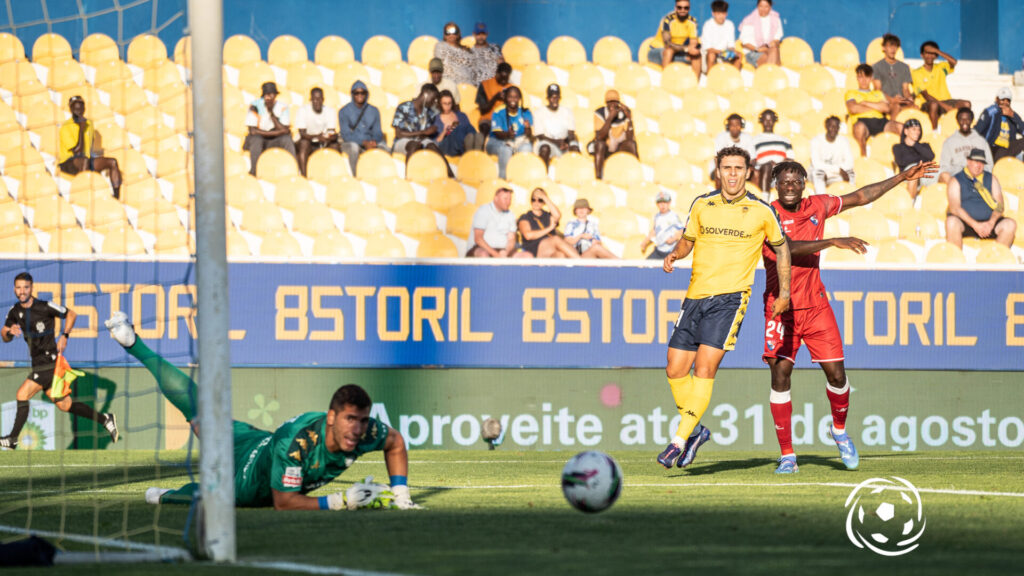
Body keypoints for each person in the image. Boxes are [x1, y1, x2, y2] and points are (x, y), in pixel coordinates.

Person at [102, 312, 419, 511]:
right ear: (332, 417)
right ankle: (168, 495)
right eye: (350, 420)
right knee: (214, 491)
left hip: (257, 442)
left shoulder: (365, 432)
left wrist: (401, 494)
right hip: (249, 481)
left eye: (362, 421)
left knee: (206, 420)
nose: (357, 429)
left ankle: (133, 344)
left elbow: (396, 443)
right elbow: (283, 502)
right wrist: (340, 501)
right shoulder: (300, 444)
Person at [762, 159, 937, 474]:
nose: (789, 186)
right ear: (776, 184)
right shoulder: (768, 214)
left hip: (815, 306)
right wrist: (831, 241)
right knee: (780, 375)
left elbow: (861, 196)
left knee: (837, 376)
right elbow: (785, 247)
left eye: (794, 181)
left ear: (804, 184)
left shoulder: (819, 205)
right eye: (783, 181)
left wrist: (901, 176)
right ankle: (788, 455)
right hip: (781, 306)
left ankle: (839, 432)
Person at [657, 146, 790, 469]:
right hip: (695, 297)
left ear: (748, 172)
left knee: (704, 370)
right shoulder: (702, 204)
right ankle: (697, 431)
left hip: (730, 299)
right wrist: (677, 252)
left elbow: (782, 247)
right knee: (674, 368)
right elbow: (689, 239)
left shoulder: (760, 210)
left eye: (738, 168)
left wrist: (784, 290)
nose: (732, 173)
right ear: (718, 171)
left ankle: (678, 440)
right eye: (727, 167)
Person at [1, 273, 118, 449]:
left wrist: (65, 335)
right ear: (14, 289)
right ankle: (105, 419)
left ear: (31, 288)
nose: (22, 291)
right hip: (38, 363)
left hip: (50, 362)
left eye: (25, 287)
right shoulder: (14, 311)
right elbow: (4, 335)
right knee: (65, 404)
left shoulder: (45, 306)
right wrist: (10, 331)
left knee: (22, 394)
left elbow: (71, 314)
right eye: (18, 287)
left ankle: (12, 439)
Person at [945, 148, 1017, 249]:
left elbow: (1000, 206)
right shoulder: (956, 180)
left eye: (982, 163)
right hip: (966, 223)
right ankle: (957, 259)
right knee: (951, 222)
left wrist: (991, 223)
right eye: (976, 161)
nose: (979, 165)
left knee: (1010, 224)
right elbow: (955, 208)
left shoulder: (991, 178)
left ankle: (994, 258)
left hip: (989, 223)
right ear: (968, 161)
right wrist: (975, 225)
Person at [58, 96, 122, 198]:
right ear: (71, 109)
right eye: (76, 108)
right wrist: (81, 130)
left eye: (81, 108)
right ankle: (84, 196)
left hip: (86, 159)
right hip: (67, 162)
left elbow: (88, 147)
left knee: (112, 162)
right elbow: (77, 151)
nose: (79, 111)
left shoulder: (89, 123)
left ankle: (116, 197)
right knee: (84, 160)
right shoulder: (65, 127)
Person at [846, 64, 901, 157]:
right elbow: (853, 108)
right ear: (857, 78)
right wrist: (877, 106)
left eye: (866, 77)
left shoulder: (878, 93)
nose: (863, 80)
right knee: (859, 128)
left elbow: (886, 108)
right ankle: (863, 160)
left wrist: (865, 103)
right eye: (860, 77)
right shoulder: (851, 93)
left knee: (901, 127)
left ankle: (905, 160)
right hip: (862, 121)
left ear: (871, 78)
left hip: (880, 121)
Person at [913, 41, 970, 130]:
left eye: (932, 53)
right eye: (927, 53)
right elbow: (926, 96)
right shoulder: (916, 73)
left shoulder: (940, 67)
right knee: (934, 105)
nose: (930, 56)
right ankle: (934, 134)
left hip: (945, 100)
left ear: (936, 56)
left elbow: (954, 62)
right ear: (922, 55)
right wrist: (945, 106)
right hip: (928, 104)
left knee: (966, 104)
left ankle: (964, 132)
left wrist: (937, 51)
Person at [338, 80, 389, 176]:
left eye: (362, 92)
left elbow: (378, 131)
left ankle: (384, 176)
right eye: (356, 93)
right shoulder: (344, 111)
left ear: (366, 94)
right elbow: (346, 135)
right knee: (354, 148)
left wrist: (374, 141)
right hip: (351, 142)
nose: (359, 95)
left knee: (386, 148)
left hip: (370, 142)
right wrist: (364, 142)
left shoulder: (374, 110)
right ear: (352, 94)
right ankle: (356, 175)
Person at [245, 81, 296, 176]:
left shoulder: (283, 107)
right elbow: (252, 131)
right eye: (267, 95)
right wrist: (278, 132)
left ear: (275, 95)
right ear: (263, 96)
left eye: (272, 95)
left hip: (273, 138)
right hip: (260, 138)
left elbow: (285, 130)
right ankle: (254, 172)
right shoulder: (254, 105)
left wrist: (272, 114)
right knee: (256, 140)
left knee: (287, 139)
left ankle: (293, 170)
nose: (269, 98)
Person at [485, 86, 533, 179]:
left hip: (516, 141)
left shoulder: (525, 112)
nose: (513, 99)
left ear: (519, 98)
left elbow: (528, 134)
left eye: (515, 97)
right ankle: (503, 179)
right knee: (506, 149)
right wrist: (507, 134)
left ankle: (520, 179)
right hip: (496, 141)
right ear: (506, 98)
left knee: (527, 147)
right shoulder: (498, 111)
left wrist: (527, 128)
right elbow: (497, 134)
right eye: (510, 96)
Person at [517, 188, 578, 259]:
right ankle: (581, 263)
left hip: (551, 250)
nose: (536, 202)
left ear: (544, 202)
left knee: (560, 255)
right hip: (536, 250)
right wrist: (550, 228)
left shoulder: (547, 215)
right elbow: (528, 235)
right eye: (533, 199)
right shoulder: (525, 217)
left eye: (540, 200)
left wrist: (544, 197)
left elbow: (557, 215)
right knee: (555, 239)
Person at [590, 90, 637, 180]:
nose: (612, 105)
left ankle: (635, 173)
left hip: (619, 147)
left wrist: (629, 118)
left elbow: (630, 138)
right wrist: (610, 118)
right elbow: (600, 136)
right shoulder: (600, 113)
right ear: (606, 103)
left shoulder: (623, 114)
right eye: (610, 102)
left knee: (631, 144)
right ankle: (598, 178)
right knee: (599, 144)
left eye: (615, 102)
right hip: (606, 148)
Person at [647, 0, 702, 76]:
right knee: (669, 51)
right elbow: (667, 44)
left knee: (696, 54)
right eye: (679, 7)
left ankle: (695, 84)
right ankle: (665, 83)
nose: (682, 10)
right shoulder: (668, 20)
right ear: (675, 8)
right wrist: (686, 49)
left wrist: (692, 50)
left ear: (689, 9)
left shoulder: (692, 22)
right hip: (656, 51)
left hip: (676, 53)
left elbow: (693, 44)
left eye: (686, 8)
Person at [939, 107, 992, 184]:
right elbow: (944, 166)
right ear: (957, 121)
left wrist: (975, 170)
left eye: (967, 119)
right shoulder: (949, 142)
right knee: (943, 175)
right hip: (957, 178)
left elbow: (989, 165)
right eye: (961, 119)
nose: (964, 122)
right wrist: (961, 170)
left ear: (972, 120)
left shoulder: (981, 141)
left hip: (976, 177)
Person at [294, 87, 339, 177]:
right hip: (308, 141)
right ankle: (304, 176)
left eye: (319, 99)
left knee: (335, 146)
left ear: (323, 99)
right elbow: (302, 134)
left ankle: (332, 175)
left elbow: (331, 131)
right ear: (310, 100)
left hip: (323, 141)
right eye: (314, 99)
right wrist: (317, 137)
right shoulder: (303, 110)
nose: (317, 102)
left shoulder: (330, 111)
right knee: (304, 144)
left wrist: (330, 137)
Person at [532, 84, 580, 168]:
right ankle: (543, 176)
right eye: (552, 97)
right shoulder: (539, 113)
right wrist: (557, 142)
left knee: (575, 148)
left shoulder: (567, 111)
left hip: (564, 143)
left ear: (560, 98)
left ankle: (575, 178)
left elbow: (571, 133)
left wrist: (566, 143)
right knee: (544, 148)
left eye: (557, 97)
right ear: (547, 98)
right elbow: (540, 136)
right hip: (549, 143)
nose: (555, 100)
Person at [872, 34, 916, 120]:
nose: (893, 49)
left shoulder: (904, 67)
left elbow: (905, 89)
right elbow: (878, 89)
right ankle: (891, 130)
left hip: (901, 101)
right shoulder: (876, 66)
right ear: (884, 48)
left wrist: (909, 100)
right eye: (890, 46)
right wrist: (892, 100)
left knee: (915, 108)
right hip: (885, 101)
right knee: (896, 106)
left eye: (895, 46)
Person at [974, 87, 1024, 162]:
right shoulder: (991, 112)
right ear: (996, 99)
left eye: (1008, 100)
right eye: (1002, 99)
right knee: (1000, 151)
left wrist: (1013, 115)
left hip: (1007, 148)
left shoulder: (1012, 114)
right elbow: (977, 130)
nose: (1005, 102)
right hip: (992, 147)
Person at [751, 109, 793, 197]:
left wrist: (778, 165)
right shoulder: (754, 140)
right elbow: (752, 161)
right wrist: (766, 164)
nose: (768, 123)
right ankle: (764, 200)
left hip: (781, 172)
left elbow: (790, 159)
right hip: (762, 172)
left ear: (775, 121)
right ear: (761, 121)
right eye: (765, 120)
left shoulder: (785, 140)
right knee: (767, 166)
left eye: (770, 120)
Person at [468, 186, 519, 258]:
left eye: (509, 199)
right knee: (483, 254)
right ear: (496, 198)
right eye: (505, 199)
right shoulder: (483, 211)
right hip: (482, 248)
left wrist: (506, 252)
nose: (508, 202)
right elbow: (478, 238)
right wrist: (495, 254)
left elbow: (511, 239)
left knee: (526, 256)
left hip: (503, 250)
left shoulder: (510, 214)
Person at [891, 118, 936, 200]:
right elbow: (902, 161)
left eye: (919, 129)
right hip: (909, 174)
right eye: (914, 129)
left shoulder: (924, 145)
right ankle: (910, 206)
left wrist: (915, 144)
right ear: (906, 131)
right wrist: (922, 159)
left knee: (944, 174)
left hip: (926, 172)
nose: (917, 132)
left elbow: (931, 156)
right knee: (914, 173)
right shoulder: (898, 147)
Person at [809, 116, 856, 193]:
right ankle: (822, 200)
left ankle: (850, 199)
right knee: (817, 174)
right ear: (826, 126)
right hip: (823, 173)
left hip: (836, 174)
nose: (834, 129)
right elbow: (816, 164)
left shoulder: (844, 141)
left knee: (851, 174)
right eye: (831, 126)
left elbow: (850, 162)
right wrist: (838, 170)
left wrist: (834, 172)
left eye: (836, 126)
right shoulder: (816, 140)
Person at [433, 90, 484, 157]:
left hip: (461, 140)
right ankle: (470, 152)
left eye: (449, 103)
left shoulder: (461, 115)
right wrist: (444, 131)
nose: (447, 106)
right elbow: (436, 142)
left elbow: (468, 129)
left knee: (467, 127)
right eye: (445, 103)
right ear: (439, 104)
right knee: (459, 128)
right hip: (446, 144)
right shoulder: (436, 119)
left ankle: (474, 145)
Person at [712, 113, 755, 186]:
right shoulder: (721, 137)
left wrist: (746, 167)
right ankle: (719, 195)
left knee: (755, 173)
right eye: (732, 125)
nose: (735, 127)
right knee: (718, 172)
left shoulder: (748, 137)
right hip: (725, 167)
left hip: (742, 167)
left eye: (737, 125)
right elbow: (717, 158)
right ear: (728, 126)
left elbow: (753, 159)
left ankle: (755, 196)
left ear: (742, 125)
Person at [640, 190, 684, 260]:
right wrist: (645, 242)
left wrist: (673, 239)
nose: (662, 205)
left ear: (669, 203)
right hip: (659, 250)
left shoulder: (673, 216)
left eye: (665, 202)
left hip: (670, 251)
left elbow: (682, 230)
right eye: (660, 203)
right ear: (657, 204)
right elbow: (654, 231)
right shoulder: (657, 216)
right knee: (647, 265)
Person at [739, 0, 782, 68]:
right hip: (753, 51)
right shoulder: (749, 20)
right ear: (757, 6)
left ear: (770, 7)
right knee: (768, 58)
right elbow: (744, 43)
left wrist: (773, 43)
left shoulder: (775, 19)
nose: (763, 9)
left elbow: (777, 39)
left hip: (769, 49)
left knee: (774, 50)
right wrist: (758, 49)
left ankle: (768, 74)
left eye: (766, 7)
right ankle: (771, 74)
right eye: (761, 6)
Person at [701, 1, 741, 71]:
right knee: (711, 55)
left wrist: (733, 53)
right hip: (709, 54)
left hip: (724, 53)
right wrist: (721, 52)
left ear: (726, 14)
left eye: (723, 13)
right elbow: (708, 48)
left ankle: (733, 78)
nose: (721, 16)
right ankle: (710, 78)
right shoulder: (708, 25)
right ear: (713, 14)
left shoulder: (730, 24)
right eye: (718, 14)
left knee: (739, 55)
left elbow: (731, 46)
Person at [476, 62, 514, 136]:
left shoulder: (512, 88)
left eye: (506, 78)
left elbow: (515, 109)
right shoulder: (485, 85)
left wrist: (507, 100)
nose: (503, 81)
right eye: (502, 78)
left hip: (505, 119)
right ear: (497, 73)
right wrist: (495, 98)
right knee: (485, 127)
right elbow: (483, 110)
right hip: (488, 119)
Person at [433, 22, 476, 86]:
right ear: (444, 35)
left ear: (458, 34)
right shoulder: (440, 46)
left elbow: (473, 68)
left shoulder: (466, 50)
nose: (451, 34)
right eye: (448, 32)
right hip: (449, 85)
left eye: (454, 31)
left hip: (467, 85)